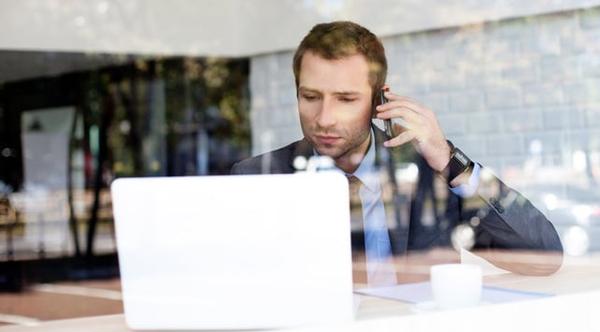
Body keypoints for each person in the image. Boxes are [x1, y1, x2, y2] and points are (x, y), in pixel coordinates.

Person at [231, 21, 562, 278]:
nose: (324, 118)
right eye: (311, 97)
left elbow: (543, 258)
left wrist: (451, 162)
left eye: (346, 99)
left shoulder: (430, 173)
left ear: (380, 100)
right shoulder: (258, 178)